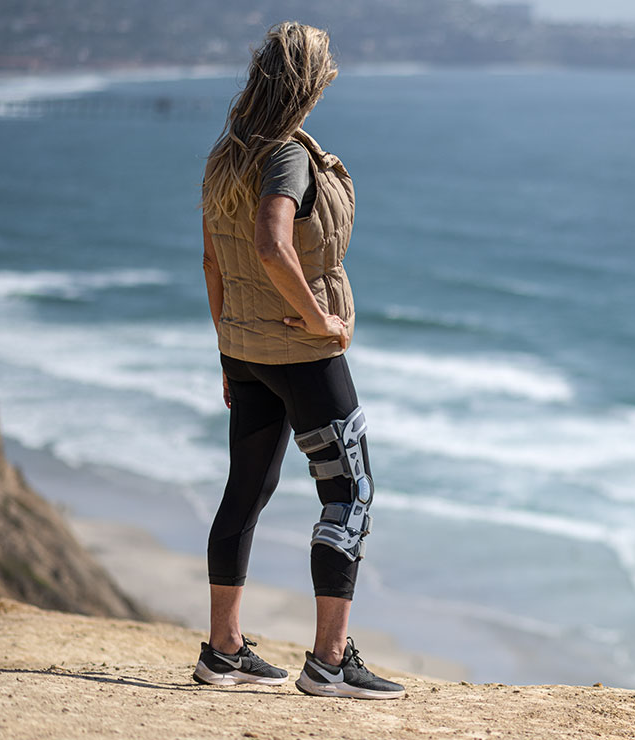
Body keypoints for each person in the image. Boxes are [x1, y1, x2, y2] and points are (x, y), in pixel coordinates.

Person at [194, 21, 404, 700]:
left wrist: (228, 351)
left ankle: (222, 649)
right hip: (301, 352)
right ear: (309, 84)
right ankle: (329, 661)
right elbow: (268, 244)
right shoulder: (286, 157)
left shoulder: (225, 155)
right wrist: (323, 322)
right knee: (350, 493)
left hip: (247, 351)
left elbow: (211, 261)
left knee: (246, 492)